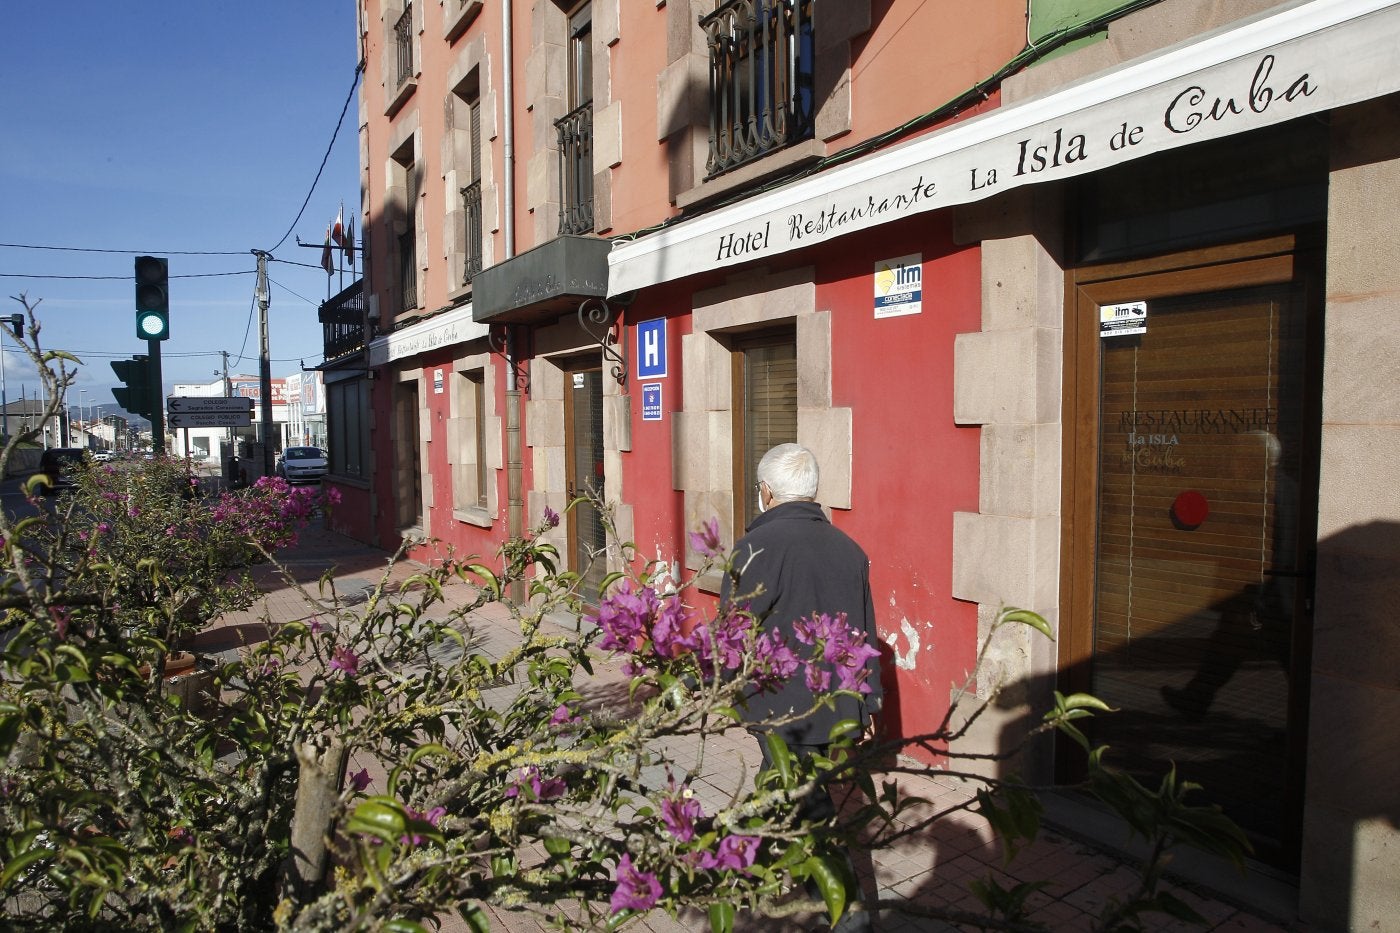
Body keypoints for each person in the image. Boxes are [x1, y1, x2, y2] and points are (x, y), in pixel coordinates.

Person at [719, 443, 882, 933]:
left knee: (804, 799)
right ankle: (766, 871)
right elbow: (864, 631)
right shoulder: (850, 549)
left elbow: (732, 630)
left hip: (779, 706)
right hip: (834, 703)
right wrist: (868, 701)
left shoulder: (754, 548)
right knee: (786, 789)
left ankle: (846, 910)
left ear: (767, 492)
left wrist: (722, 690)